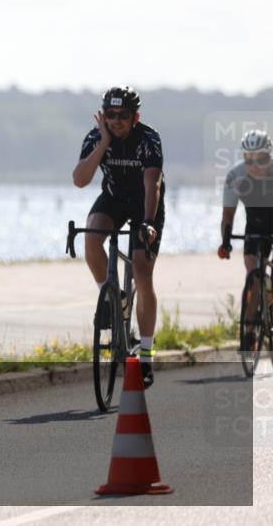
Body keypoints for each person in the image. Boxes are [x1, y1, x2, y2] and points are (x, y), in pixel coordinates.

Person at [72, 86, 164, 388]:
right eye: (110, 115)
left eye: (122, 115)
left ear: (135, 116)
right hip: (113, 198)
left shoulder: (148, 139)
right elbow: (80, 180)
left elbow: (153, 184)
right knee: (91, 237)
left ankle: (146, 355)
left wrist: (149, 223)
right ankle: (112, 300)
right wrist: (103, 144)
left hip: (144, 204)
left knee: (141, 269)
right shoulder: (96, 136)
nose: (116, 120)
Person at [218, 129, 273, 351]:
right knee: (254, 276)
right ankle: (249, 332)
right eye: (248, 159)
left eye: (260, 158)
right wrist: (226, 242)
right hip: (255, 226)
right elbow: (227, 216)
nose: (255, 165)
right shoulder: (236, 176)